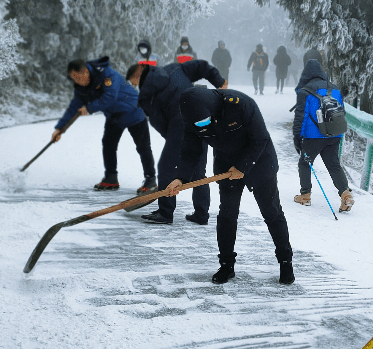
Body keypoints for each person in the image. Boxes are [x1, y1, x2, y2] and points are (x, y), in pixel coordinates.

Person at [163, 87, 294, 286]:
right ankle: (226, 265)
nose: (202, 125)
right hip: (226, 165)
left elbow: (260, 139)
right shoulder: (191, 119)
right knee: (227, 214)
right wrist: (180, 178)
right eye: (198, 123)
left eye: (205, 120)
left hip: (259, 163)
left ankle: (285, 262)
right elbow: (191, 152)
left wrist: (242, 167)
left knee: (271, 212)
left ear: (211, 108)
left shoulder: (240, 104)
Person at [126, 60, 227, 224]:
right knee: (198, 171)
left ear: (138, 74)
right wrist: (219, 81)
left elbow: (159, 122)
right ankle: (201, 214)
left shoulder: (146, 97)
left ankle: (165, 213)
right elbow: (202, 67)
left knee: (166, 168)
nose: (134, 85)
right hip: (201, 117)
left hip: (179, 126)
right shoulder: (174, 68)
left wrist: (174, 140)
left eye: (133, 82)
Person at [52, 57, 157, 193]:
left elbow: (110, 97)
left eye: (78, 78)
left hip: (133, 111)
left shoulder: (107, 75)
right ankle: (111, 177)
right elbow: (74, 107)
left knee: (143, 147)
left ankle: (150, 180)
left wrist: (89, 108)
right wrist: (59, 129)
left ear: (85, 72)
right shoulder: (80, 87)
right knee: (108, 145)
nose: (76, 81)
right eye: (73, 78)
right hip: (114, 116)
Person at [292, 59, 353, 211]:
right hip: (334, 134)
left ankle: (305, 195)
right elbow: (341, 112)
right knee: (333, 164)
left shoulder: (304, 91)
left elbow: (301, 117)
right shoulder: (335, 89)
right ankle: (346, 195)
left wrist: (297, 137)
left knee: (305, 163)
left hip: (313, 136)